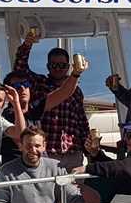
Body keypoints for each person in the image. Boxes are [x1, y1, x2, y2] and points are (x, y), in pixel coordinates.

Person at [12, 31, 90, 169]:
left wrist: (90, 149)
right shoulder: (39, 84)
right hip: (47, 153)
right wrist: (27, 44)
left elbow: (81, 120)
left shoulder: (77, 91)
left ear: (68, 67)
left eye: (62, 65)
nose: (58, 69)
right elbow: (20, 69)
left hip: (72, 152)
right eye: (54, 65)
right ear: (48, 67)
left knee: (74, 190)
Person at [0, 59, 88, 163]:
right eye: (17, 87)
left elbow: (63, 93)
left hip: (38, 167)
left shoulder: (34, 109)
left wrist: (75, 74)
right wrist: (15, 103)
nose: (23, 89)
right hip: (17, 171)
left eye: (26, 84)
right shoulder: (8, 114)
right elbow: (21, 136)